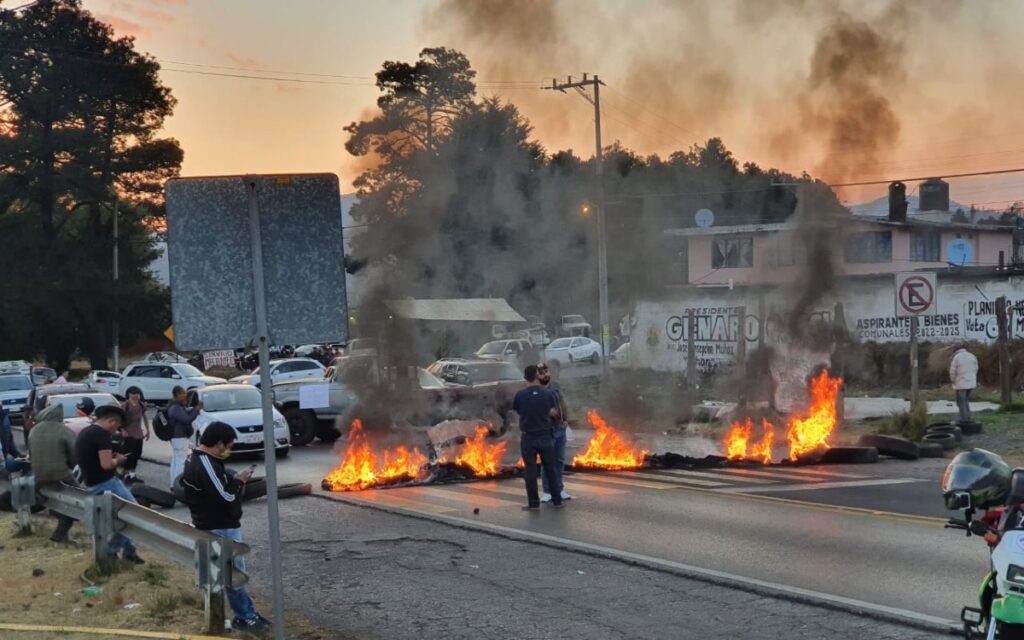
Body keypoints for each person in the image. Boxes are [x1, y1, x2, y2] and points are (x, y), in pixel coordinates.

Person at [180, 422, 270, 633]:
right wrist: (239, 482)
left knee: (224, 576)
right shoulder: (206, 464)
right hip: (220, 525)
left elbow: (215, 487)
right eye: (228, 445)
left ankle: (243, 613)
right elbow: (227, 496)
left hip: (209, 524)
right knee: (234, 575)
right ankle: (245, 617)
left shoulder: (194, 458)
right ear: (219, 444)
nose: (229, 450)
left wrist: (231, 478)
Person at [75, 404, 144, 564]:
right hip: (105, 483)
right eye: (117, 427)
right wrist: (118, 460)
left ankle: (130, 552)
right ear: (112, 422)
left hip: (91, 482)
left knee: (125, 516)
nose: (116, 431)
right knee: (135, 514)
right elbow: (106, 464)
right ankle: (111, 550)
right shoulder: (102, 436)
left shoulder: (87, 432)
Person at [511, 365, 563, 510]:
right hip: (545, 436)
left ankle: (533, 504)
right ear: (537, 376)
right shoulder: (547, 394)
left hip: (529, 437)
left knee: (530, 471)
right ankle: (557, 501)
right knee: (550, 469)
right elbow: (553, 412)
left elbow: (518, 411)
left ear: (524, 378)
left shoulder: (520, 395)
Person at [27, 403, 77, 542]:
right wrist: (69, 468)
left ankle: (46, 508)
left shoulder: (34, 430)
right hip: (61, 473)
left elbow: (30, 453)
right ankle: (61, 531)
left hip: (38, 474)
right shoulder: (65, 431)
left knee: (39, 494)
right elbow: (74, 455)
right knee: (79, 499)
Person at [538, 362, 572, 504]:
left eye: (546, 371)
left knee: (559, 460)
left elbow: (562, 403)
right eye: (542, 372)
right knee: (547, 462)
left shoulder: (555, 386)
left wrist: (566, 420)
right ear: (537, 375)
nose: (545, 374)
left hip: (560, 429)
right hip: (546, 431)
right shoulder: (536, 390)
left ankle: (559, 488)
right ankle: (547, 491)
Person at [167, 385, 201, 491]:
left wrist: (192, 409)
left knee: (176, 460)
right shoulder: (175, 408)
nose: (185, 395)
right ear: (177, 395)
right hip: (179, 437)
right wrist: (196, 410)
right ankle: (179, 485)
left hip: (176, 437)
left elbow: (185, 413)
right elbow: (186, 419)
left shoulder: (176, 406)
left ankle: (173, 484)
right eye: (183, 393)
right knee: (181, 462)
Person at [120, 389, 150, 483]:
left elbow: (145, 417)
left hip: (138, 434)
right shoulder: (126, 405)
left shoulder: (141, 405)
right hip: (129, 434)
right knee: (129, 455)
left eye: (137, 393)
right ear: (129, 394)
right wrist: (123, 430)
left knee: (137, 454)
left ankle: (133, 475)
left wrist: (148, 430)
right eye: (133, 393)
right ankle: (126, 475)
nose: (135, 395)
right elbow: (120, 419)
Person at [950, 343, 979, 423]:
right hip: (971, 383)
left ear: (956, 349)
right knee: (966, 401)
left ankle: (964, 420)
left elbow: (952, 371)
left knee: (960, 403)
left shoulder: (957, 357)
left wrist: (953, 380)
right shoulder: (972, 356)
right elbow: (976, 368)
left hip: (961, 383)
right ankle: (968, 417)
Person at [1, 406, 30, 475]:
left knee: (27, 462)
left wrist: (19, 456)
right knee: (27, 463)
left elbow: (9, 443)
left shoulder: (4, 422)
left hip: (4, 462)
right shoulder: (5, 421)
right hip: (3, 464)